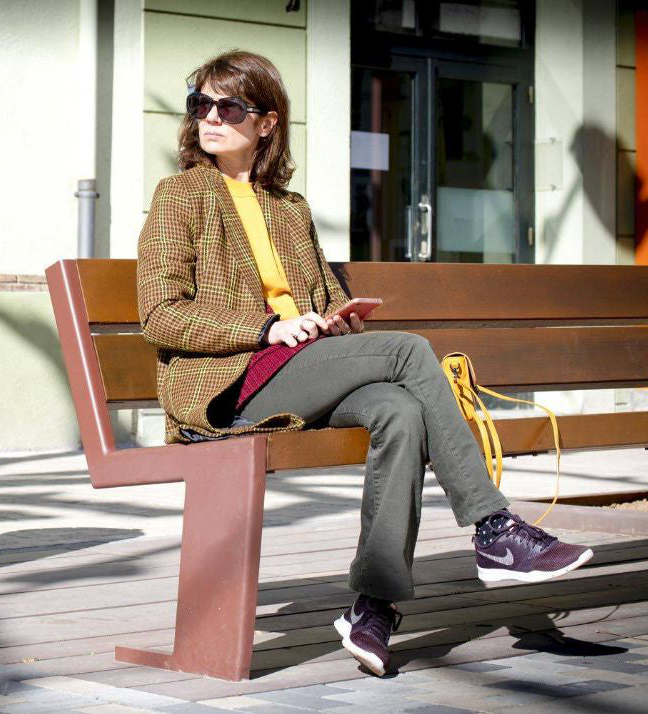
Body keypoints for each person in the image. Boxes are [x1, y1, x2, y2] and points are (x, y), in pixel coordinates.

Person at [136, 50, 593, 678]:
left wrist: (337, 320)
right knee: (408, 350)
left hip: (295, 365)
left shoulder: (287, 207)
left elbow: (318, 300)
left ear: (266, 122)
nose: (210, 118)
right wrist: (268, 326)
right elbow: (160, 314)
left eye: (229, 107)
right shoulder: (180, 195)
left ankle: (373, 605)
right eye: (201, 105)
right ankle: (492, 526)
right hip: (228, 385)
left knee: (399, 410)